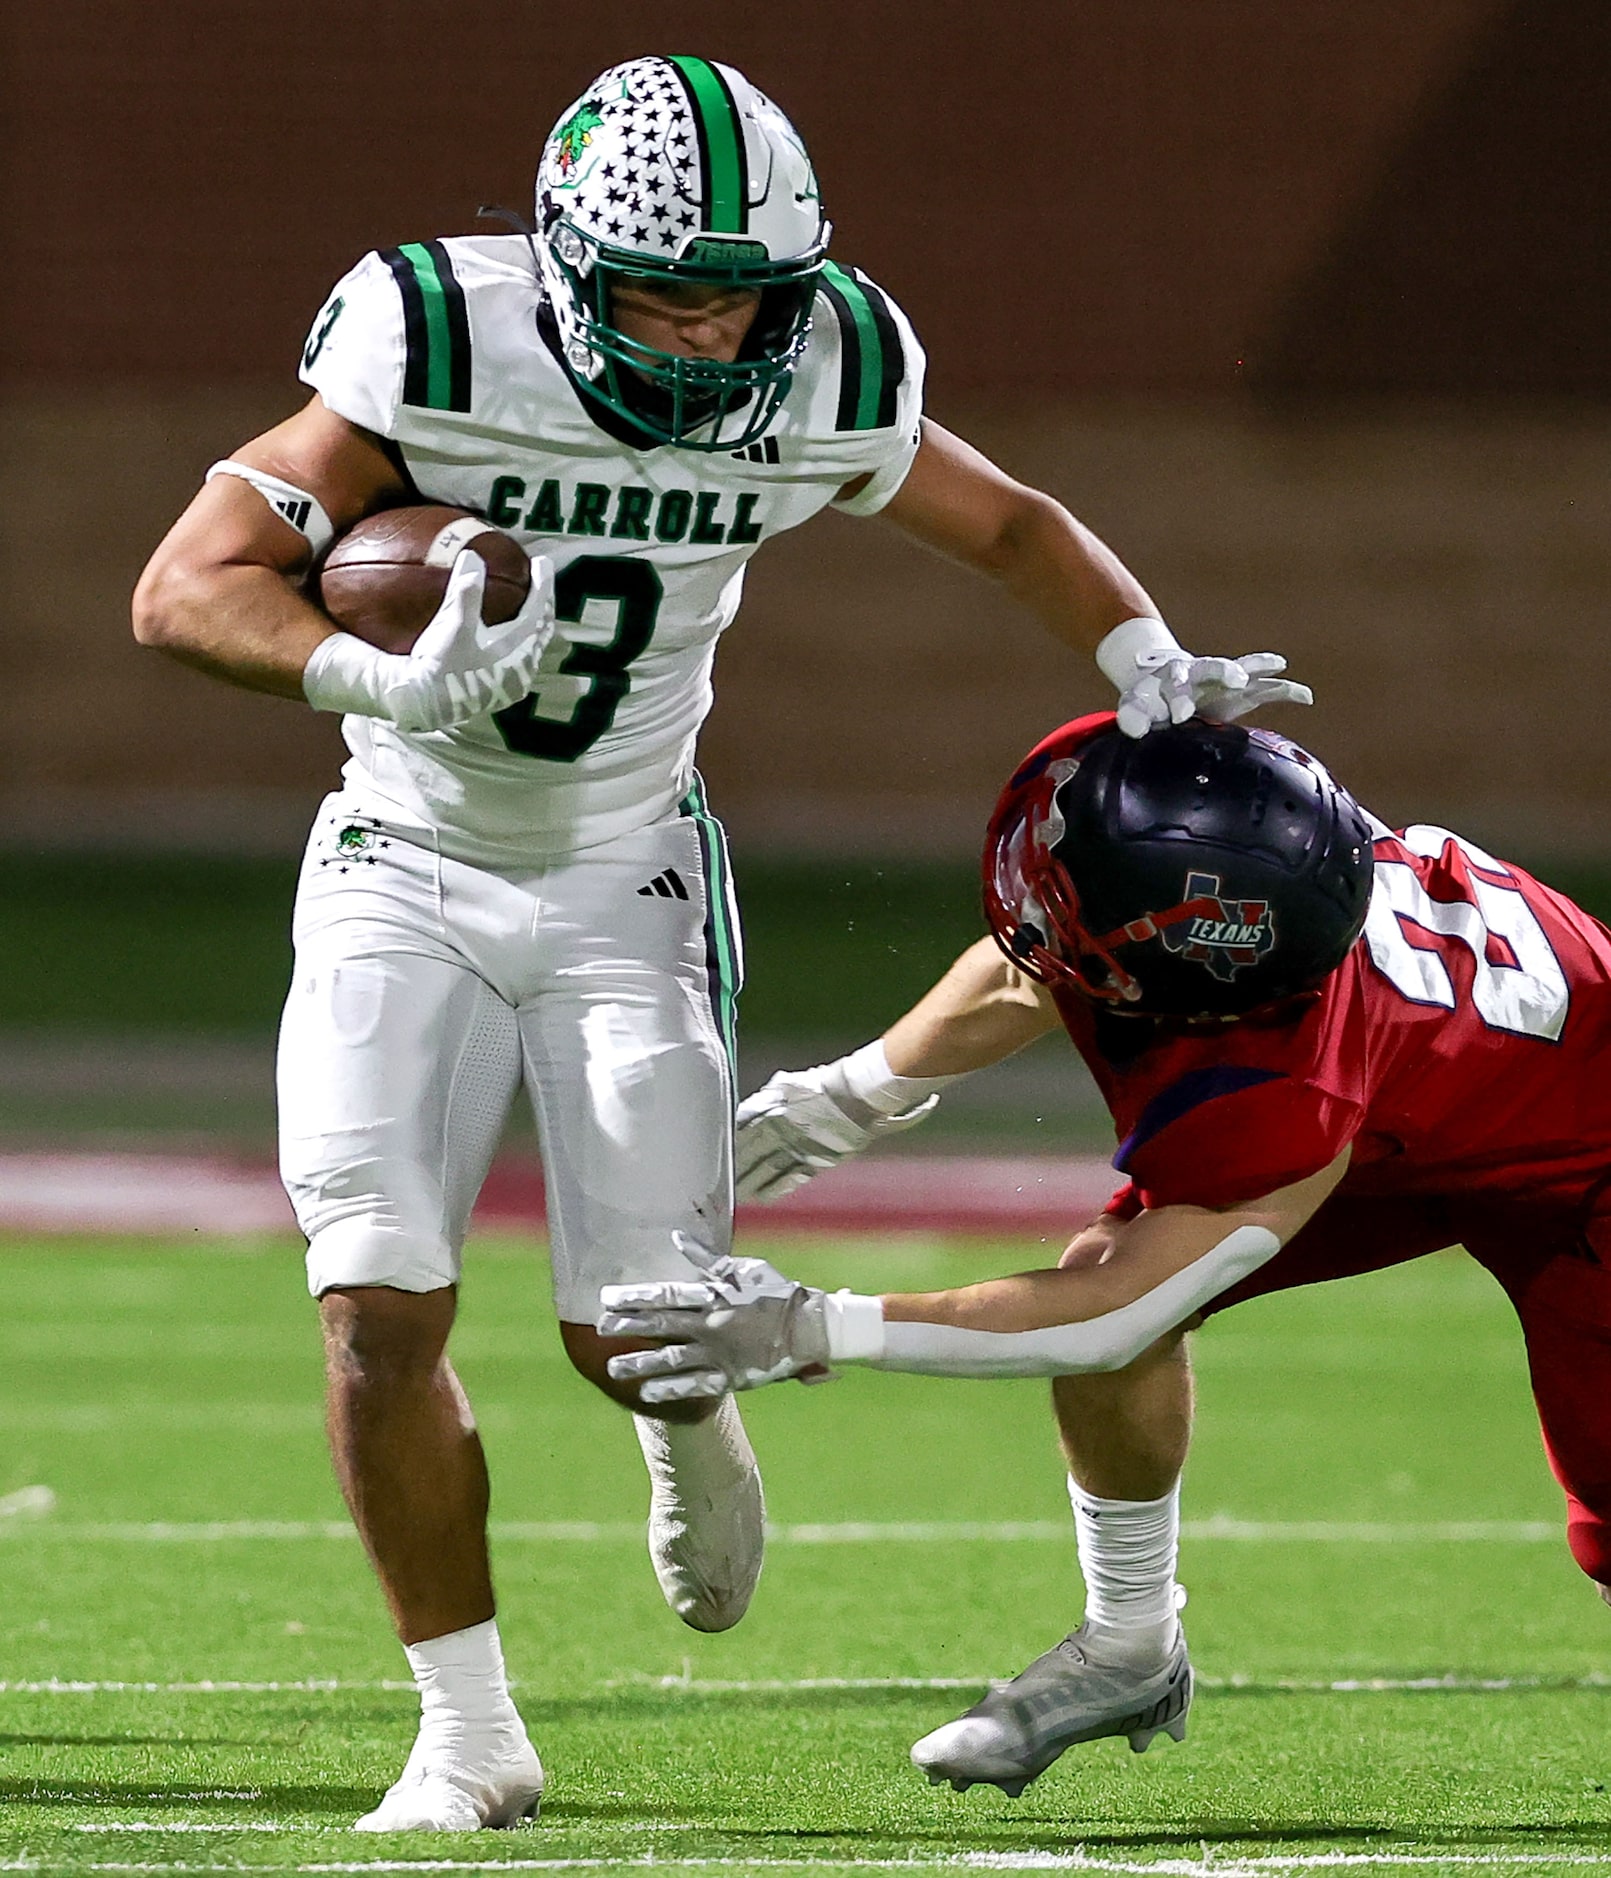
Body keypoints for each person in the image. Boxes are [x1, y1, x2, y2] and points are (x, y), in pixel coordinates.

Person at [132, 55, 1306, 1832]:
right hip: (402, 851)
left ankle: (683, 1423)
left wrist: (1137, 650)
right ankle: (467, 1732)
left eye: (741, 299)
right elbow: (183, 584)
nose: (704, 339)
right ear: (566, 261)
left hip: (628, 869)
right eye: (664, 298)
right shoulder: (438, 337)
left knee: (645, 1332)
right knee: (378, 1300)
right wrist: (376, 668)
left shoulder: (826, 360)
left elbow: (1006, 523)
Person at [602, 710, 1611, 1800]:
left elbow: (1108, 1315)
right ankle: (1131, 1647)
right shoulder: (1238, 878)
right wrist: (846, 1101)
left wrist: (812, 1326)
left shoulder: (1281, 1082)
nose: (1032, 894)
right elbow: (1037, 962)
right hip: (1437, 1086)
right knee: (1112, 1263)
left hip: (1581, 1153)